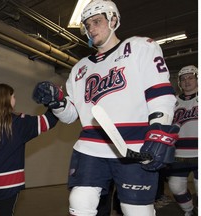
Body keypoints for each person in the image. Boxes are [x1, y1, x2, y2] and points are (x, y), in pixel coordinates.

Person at [32, 0, 180, 215]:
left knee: (136, 209)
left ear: (113, 20)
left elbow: (160, 93)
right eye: (87, 25)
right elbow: (70, 116)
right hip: (90, 145)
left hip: (134, 146)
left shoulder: (140, 47)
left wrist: (159, 130)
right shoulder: (79, 68)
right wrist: (57, 103)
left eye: (96, 21)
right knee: (80, 201)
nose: (91, 29)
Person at [0, 83, 59, 216]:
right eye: (13, 96)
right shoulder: (19, 123)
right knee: (6, 213)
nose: (15, 99)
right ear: (7, 99)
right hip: (9, 183)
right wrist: (55, 102)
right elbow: (48, 121)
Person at [167, 65, 198, 216]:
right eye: (183, 79)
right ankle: (189, 211)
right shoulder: (172, 102)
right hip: (178, 152)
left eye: (191, 77)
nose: (187, 81)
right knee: (176, 186)